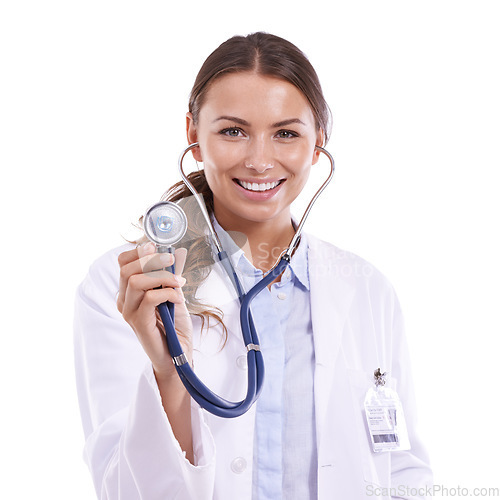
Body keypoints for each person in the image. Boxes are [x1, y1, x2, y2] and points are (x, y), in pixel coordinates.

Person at [74, 32, 433, 500]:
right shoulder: (133, 286)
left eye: (285, 133)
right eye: (232, 131)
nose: (260, 160)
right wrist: (169, 374)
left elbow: (402, 469)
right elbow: (123, 489)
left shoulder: (367, 290)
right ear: (194, 137)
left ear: (317, 142)